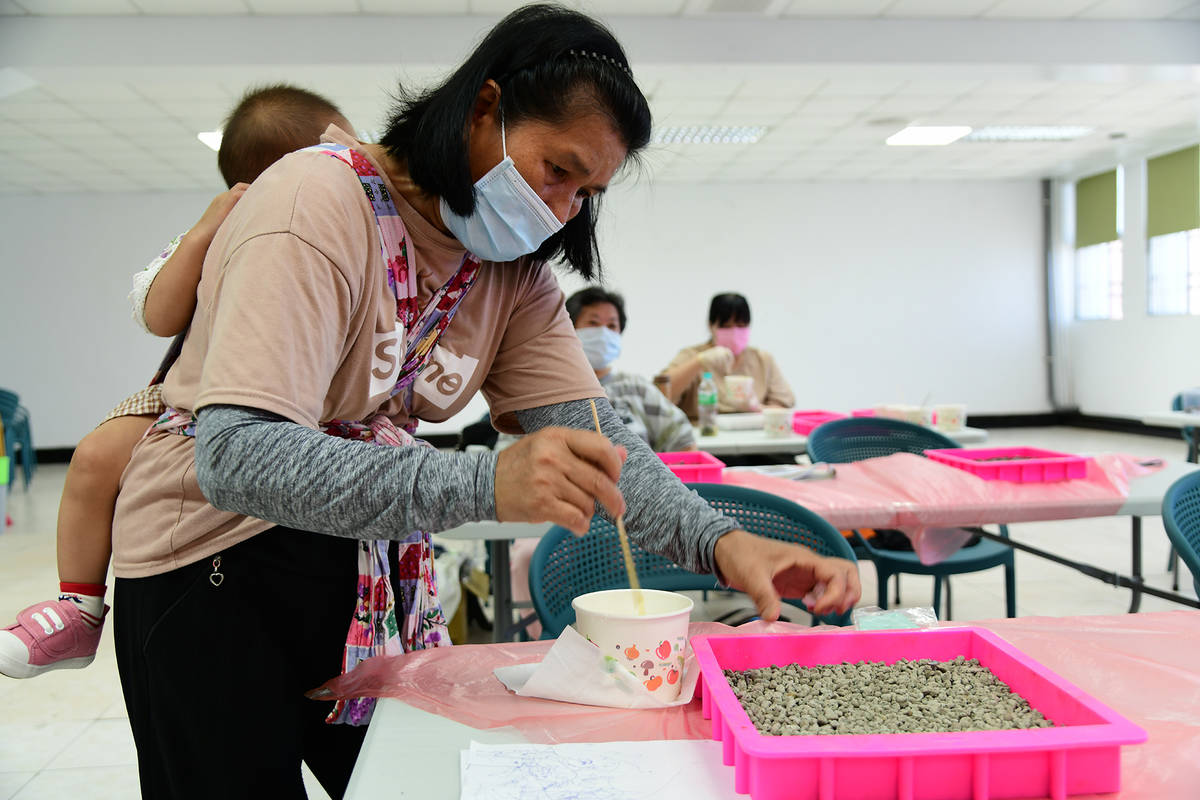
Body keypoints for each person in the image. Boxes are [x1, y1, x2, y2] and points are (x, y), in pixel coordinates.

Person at [107, 6, 860, 798]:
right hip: (210, 564)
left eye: (586, 192)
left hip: (357, 565)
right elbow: (237, 456)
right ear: (484, 109)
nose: (563, 209)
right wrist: (482, 482)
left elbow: (599, 438)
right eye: (557, 170)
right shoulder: (314, 203)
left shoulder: (512, 274)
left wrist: (726, 547)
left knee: (404, 780)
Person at [0, 85, 354, 680]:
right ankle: (79, 607)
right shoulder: (224, 226)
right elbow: (159, 316)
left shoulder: (353, 228)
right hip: (191, 397)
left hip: (304, 398)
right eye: (337, 154)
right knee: (94, 456)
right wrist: (201, 236)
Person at [565, 286, 695, 452]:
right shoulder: (552, 393)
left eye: (612, 325)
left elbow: (682, 438)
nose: (604, 332)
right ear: (569, 328)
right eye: (593, 323)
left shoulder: (636, 388)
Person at [662, 292, 795, 419]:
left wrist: (757, 408)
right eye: (726, 326)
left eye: (741, 325)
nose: (734, 332)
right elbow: (660, 394)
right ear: (710, 325)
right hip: (706, 433)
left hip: (753, 435)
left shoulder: (762, 360)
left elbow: (784, 406)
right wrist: (699, 362)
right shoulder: (692, 355)